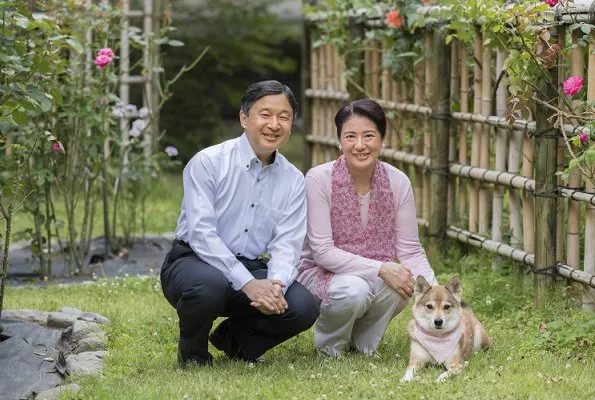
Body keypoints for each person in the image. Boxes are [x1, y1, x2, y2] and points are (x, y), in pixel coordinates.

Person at [161, 80, 319, 368]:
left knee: (303, 306)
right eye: (265, 114)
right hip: (193, 261)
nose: (274, 124)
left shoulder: (294, 179)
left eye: (283, 117)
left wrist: (275, 285)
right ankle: (193, 356)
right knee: (209, 285)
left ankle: (235, 341)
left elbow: (287, 243)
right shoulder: (208, 162)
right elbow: (201, 234)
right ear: (244, 118)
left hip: (250, 264)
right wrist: (248, 284)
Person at [297, 98, 437, 357]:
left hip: (372, 275)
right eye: (350, 136)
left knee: (403, 283)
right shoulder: (318, 179)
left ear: (383, 139)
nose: (359, 145)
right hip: (320, 274)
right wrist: (382, 268)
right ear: (339, 140)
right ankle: (331, 346)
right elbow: (322, 251)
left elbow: (410, 249)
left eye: (369, 136)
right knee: (354, 289)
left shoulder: (398, 181)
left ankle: (362, 345)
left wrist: (437, 296)